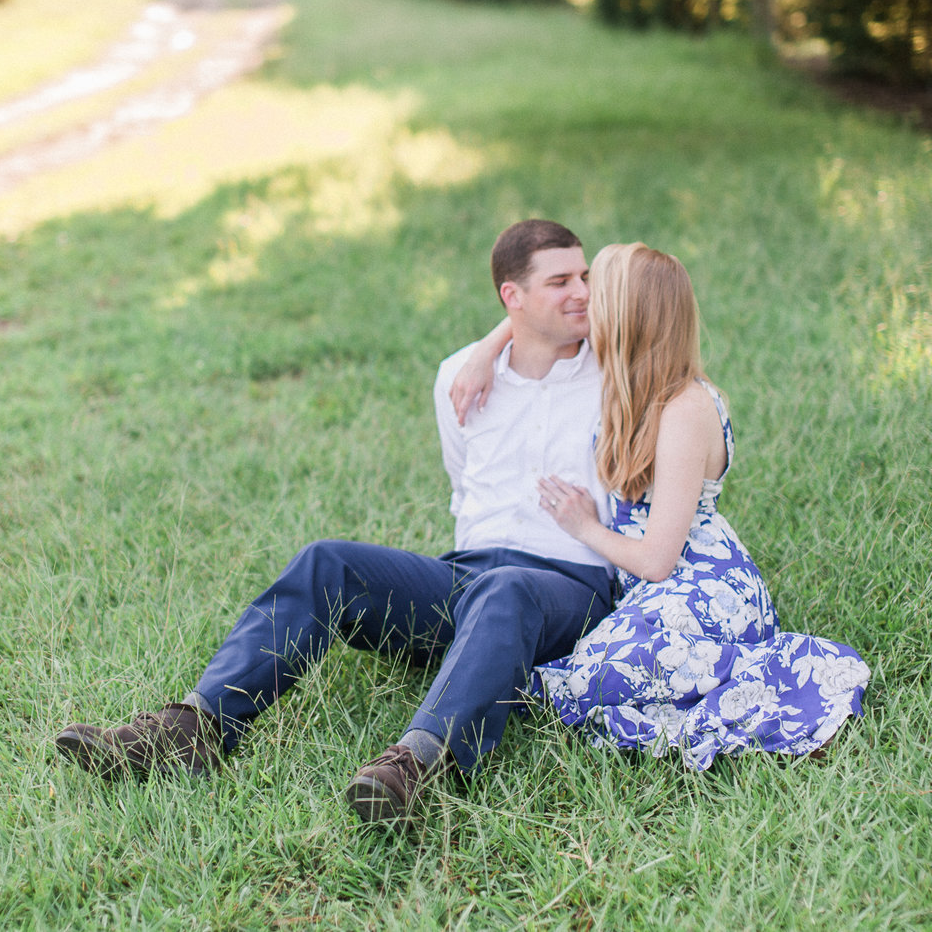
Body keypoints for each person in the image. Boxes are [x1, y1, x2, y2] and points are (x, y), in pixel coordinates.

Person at [55, 219, 615, 823]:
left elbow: (663, 335)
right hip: (467, 577)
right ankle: (194, 727)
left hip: (570, 588)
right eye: (560, 281)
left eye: (584, 276)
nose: (582, 291)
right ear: (513, 298)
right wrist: (490, 351)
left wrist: (500, 337)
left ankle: (416, 766)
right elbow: (462, 485)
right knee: (328, 561)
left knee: (507, 590)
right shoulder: (460, 376)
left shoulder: (615, 371)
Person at [450, 242, 870, 768]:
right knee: (584, 671)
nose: (581, 300)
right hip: (648, 588)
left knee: (597, 675)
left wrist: (582, 525)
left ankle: (758, 679)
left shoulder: (685, 407)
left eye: (594, 295)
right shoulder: (629, 382)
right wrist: (487, 349)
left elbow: (657, 561)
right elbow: (535, 322)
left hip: (698, 585)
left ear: (628, 317)